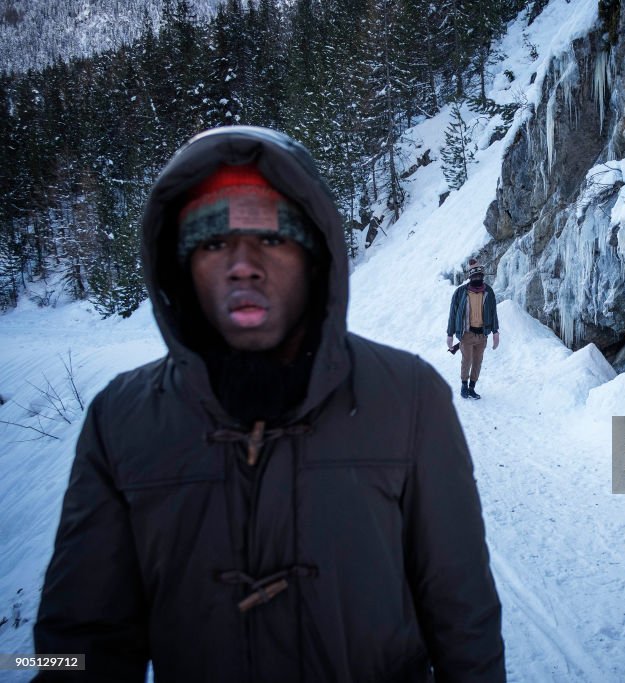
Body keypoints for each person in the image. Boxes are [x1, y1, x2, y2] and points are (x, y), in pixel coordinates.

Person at [34, 126, 505, 682]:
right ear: (178, 266)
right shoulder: (120, 421)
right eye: (211, 241)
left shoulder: (410, 397)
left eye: (273, 238)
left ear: (315, 257)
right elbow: (73, 648)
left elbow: (463, 614)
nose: (242, 264)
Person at [446, 260, 500, 399]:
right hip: (466, 334)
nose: (477, 279)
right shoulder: (460, 292)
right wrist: (450, 334)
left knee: (477, 361)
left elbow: (493, 312)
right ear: (470, 278)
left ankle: (472, 387)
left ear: (482, 277)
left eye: (479, 276)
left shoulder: (488, 291)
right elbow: (453, 313)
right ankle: (464, 385)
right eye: (474, 277)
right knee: (467, 360)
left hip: (482, 334)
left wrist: (495, 332)